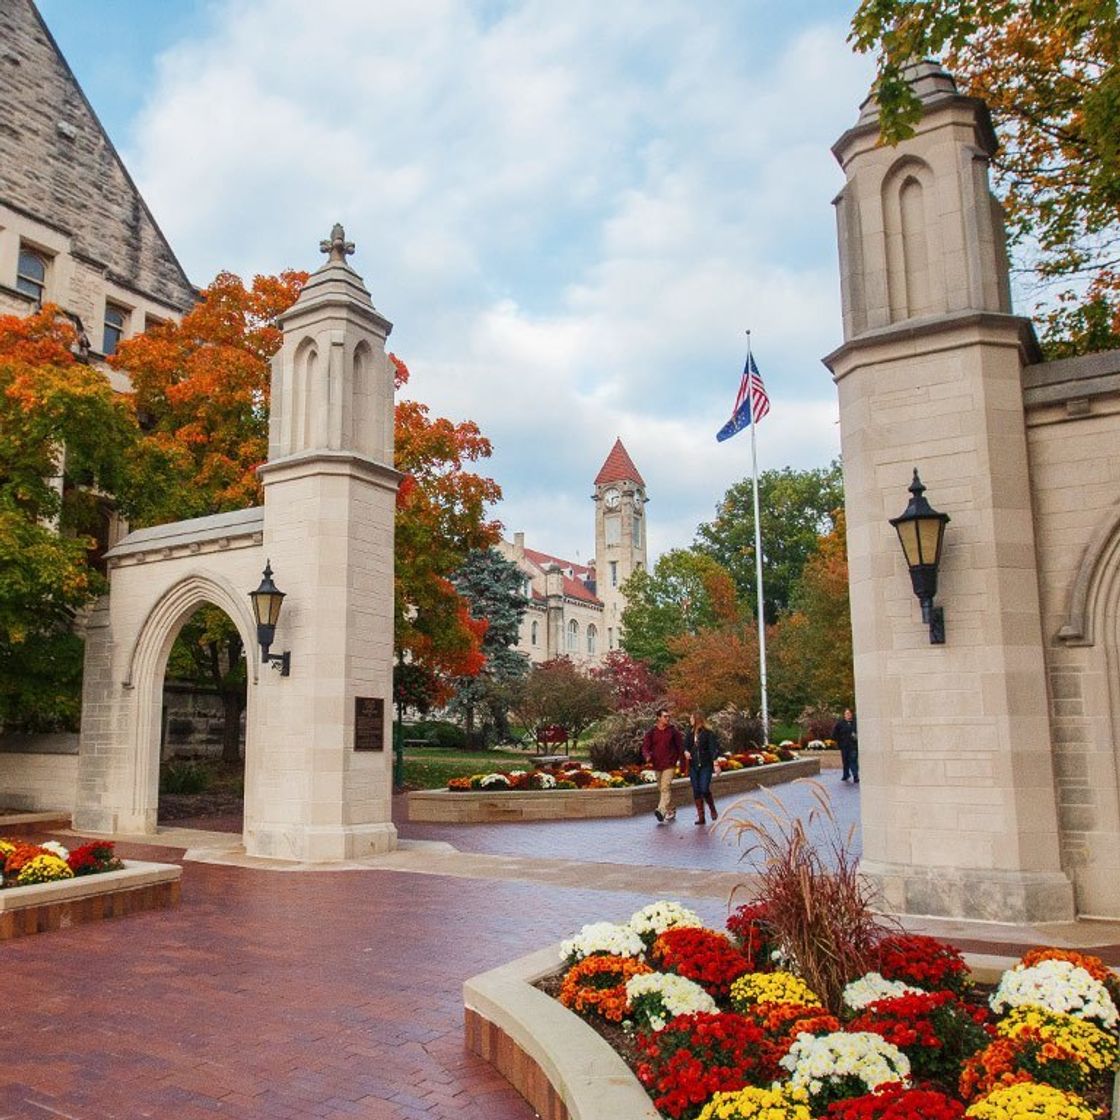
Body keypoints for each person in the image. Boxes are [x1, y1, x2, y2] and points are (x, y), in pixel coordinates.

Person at [642, 707, 684, 822]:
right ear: (658, 718)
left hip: (670, 764)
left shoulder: (673, 732)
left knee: (665, 787)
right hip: (657, 764)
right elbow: (645, 746)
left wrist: (682, 765)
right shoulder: (652, 732)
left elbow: (681, 748)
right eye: (665, 716)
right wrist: (647, 756)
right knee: (662, 788)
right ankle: (671, 809)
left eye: (668, 716)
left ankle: (660, 810)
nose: (667, 718)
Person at [684, 711, 720, 825]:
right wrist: (686, 752)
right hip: (693, 765)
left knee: (704, 789)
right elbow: (685, 746)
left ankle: (712, 808)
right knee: (696, 790)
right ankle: (701, 816)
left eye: (691, 718)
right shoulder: (689, 733)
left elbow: (713, 748)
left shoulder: (708, 733)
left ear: (697, 719)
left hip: (705, 765)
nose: (690, 720)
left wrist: (715, 763)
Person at [833, 707, 859, 783]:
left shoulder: (855, 723)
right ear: (844, 715)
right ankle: (846, 774)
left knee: (853, 761)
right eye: (846, 713)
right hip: (844, 746)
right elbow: (834, 735)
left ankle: (855, 776)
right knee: (845, 761)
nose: (848, 715)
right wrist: (840, 742)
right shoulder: (840, 724)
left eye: (849, 713)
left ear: (851, 714)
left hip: (853, 746)